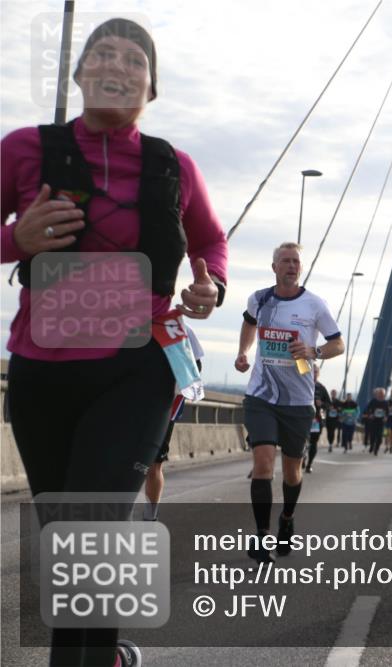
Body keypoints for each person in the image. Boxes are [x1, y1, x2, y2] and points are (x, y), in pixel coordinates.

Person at [1, 17, 228, 667]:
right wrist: (18, 240)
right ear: (77, 75)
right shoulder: (21, 149)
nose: (117, 65)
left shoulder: (172, 165)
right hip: (42, 369)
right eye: (103, 53)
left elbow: (209, 241)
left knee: (90, 531)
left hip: (138, 368)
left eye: (134, 60)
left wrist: (209, 286)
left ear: (151, 89)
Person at [235, 242, 343, 564]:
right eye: (285, 261)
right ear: (274, 267)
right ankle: (261, 537)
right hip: (261, 395)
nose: (292, 266)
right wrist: (243, 351)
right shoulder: (259, 299)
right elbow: (249, 323)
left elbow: (338, 343)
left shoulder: (314, 305)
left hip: (298, 401)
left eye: (296, 261)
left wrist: (315, 352)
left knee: (292, 471)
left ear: (301, 268)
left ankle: (287, 518)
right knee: (263, 464)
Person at [144, 324, 205, 520]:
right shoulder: (124, 324)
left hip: (165, 404)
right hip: (128, 401)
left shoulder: (179, 328)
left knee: (154, 463)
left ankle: (150, 514)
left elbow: (196, 368)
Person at [364, 387, 389, 456]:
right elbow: (368, 409)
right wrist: (370, 414)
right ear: (377, 394)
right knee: (372, 436)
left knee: (380, 437)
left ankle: (376, 449)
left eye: (382, 394)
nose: (381, 395)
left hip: (381, 422)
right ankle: (372, 446)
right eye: (379, 393)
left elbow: (387, 412)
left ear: (384, 395)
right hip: (373, 421)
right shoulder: (373, 401)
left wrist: (386, 417)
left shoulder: (385, 403)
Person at [305, 396, 325, 473]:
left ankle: (309, 464)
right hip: (306, 430)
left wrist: (319, 420)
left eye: (320, 401)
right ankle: (303, 458)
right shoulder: (308, 407)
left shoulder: (321, 410)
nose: (319, 402)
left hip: (315, 431)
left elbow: (323, 421)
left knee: (313, 447)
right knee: (304, 446)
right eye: (317, 400)